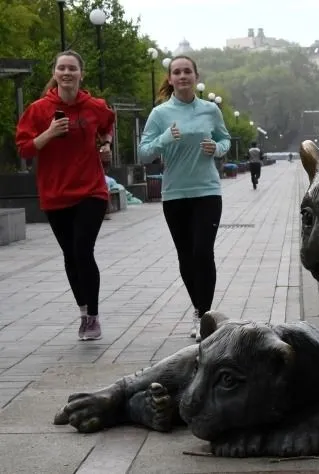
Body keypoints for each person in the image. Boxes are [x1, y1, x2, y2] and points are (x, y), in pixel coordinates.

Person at [15, 50, 115, 341]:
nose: (67, 73)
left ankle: (93, 317)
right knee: (70, 255)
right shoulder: (38, 109)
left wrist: (105, 143)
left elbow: (108, 123)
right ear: (55, 73)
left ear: (81, 74)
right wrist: (48, 133)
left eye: (72, 68)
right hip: (55, 192)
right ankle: (83, 312)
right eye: (62, 68)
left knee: (83, 251)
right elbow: (24, 148)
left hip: (91, 190)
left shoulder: (94, 106)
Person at [137, 55, 231, 342]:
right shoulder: (160, 114)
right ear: (170, 78)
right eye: (176, 72)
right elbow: (144, 153)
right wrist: (165, 138)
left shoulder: (210, 110)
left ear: (196, 76)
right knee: (186, 256)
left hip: (207, 191)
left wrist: (216, 147)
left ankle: (204, 316)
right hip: (175, 194)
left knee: (203, 252)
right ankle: (198, 309)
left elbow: (225, 140)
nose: (182, 76)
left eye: (187, 71)